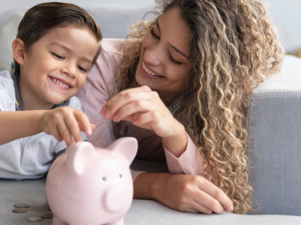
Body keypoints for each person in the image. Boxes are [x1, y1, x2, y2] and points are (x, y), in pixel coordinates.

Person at [77, 0, 283, 214]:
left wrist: (175, 132)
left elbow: (217, 188)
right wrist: (159, 185)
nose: (149, 57)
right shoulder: (102, 64)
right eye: (155, 34)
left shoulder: (216, 101)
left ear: (203, 75)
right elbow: (89, 168)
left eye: (175, 58)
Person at [0, 2, 102, 179]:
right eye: (58, 55)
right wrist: (42, 120)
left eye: (82, 67)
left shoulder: (71, 109)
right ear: (21, 52)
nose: (71, 71)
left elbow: (71, 165)